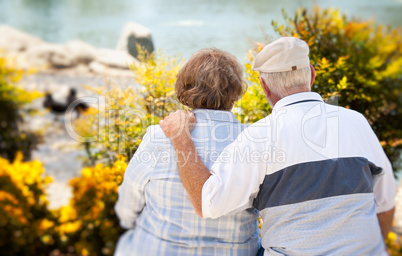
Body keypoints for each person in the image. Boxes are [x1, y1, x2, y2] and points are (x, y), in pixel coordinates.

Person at [159, 37, 396, 255]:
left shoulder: (258, 137)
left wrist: (181, 139)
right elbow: (385, 202)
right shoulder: (356, 122)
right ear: (311, 75)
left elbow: (206, 203)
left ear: (264, 87)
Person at [114, 48, 261, 255]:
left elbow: (129, 201)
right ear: (236, 92)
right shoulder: (254, 141)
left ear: (185, 88)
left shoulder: (159, 136)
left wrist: (128, 221)